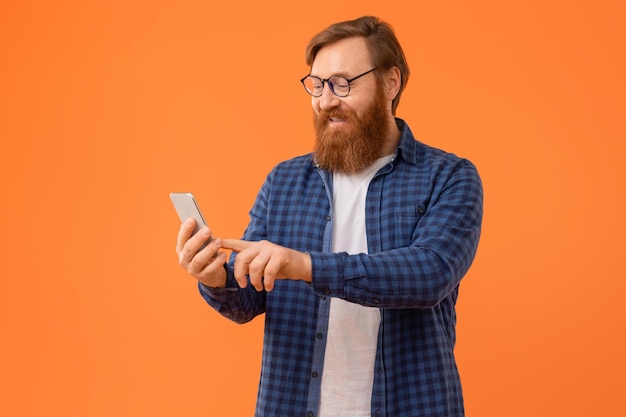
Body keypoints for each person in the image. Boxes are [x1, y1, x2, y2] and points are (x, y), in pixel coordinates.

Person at [176, 15, 483, 417]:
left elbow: (430, 274)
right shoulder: (284, 180)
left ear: (391, 83)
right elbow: (247, 300)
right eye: (316, 85)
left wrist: (305, 265)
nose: (325, 100)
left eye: (343, 83)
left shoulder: (449, 176)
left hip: (412, 404)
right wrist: (215, 276)